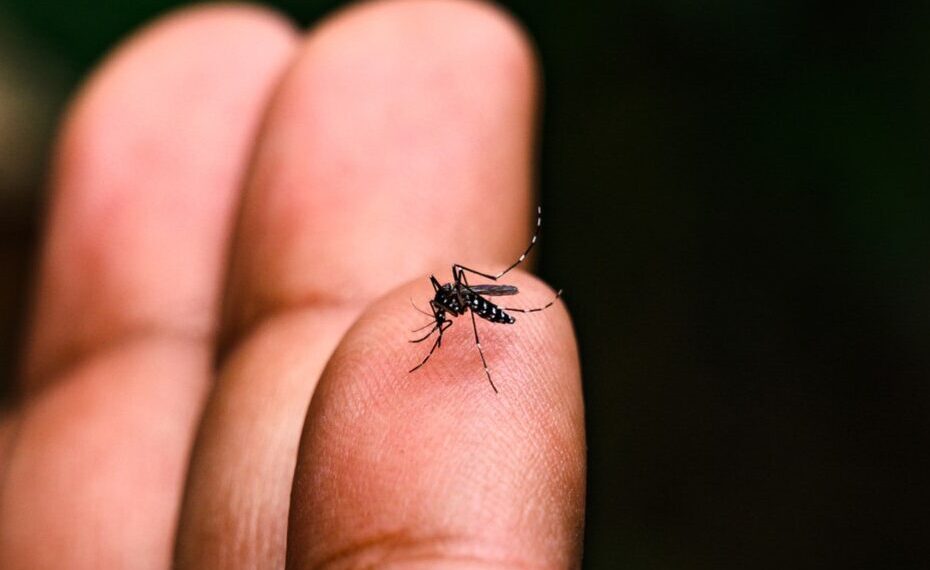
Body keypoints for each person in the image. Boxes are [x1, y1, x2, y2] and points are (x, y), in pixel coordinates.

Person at [0, 1, 585, 567]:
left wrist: (473, 313)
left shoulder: (459, 301)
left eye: (441, 313)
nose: (439, 311)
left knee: (474, 303)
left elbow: (459, 310)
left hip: (489, 302)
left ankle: (505, 283)